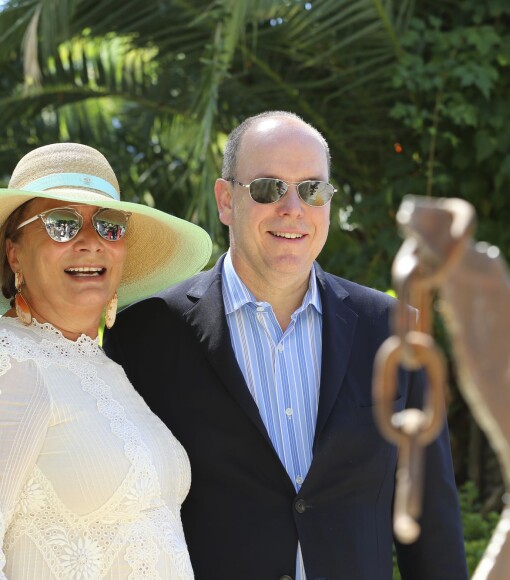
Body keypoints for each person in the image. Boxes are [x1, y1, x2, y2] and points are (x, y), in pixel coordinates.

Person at [105, 111, 468, 579]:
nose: (292, 208)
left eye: (312, 190)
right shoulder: (148, 334)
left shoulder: (394, 331)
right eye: (268, 188)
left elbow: (431, 523)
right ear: (225, 199)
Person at [0, 142, 212, 578]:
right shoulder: (12, 361)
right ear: (15, 253)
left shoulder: (105, 366)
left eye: (109, 226)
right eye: (62, 224)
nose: (90, 243)